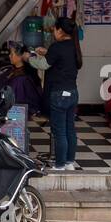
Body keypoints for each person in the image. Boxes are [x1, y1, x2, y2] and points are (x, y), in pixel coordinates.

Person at [33, 18, 81, 170]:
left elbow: (42, 65)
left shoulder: (57, 46)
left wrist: (29, 58)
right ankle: (69, 162)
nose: (53, 32)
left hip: (59, 94)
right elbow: (60, 58)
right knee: (69, 129)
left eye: (54, 29)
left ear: (60, 30)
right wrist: (46, 52)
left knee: (59, 131)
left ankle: (59, 165)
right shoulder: (74, 46)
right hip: (72, 93)